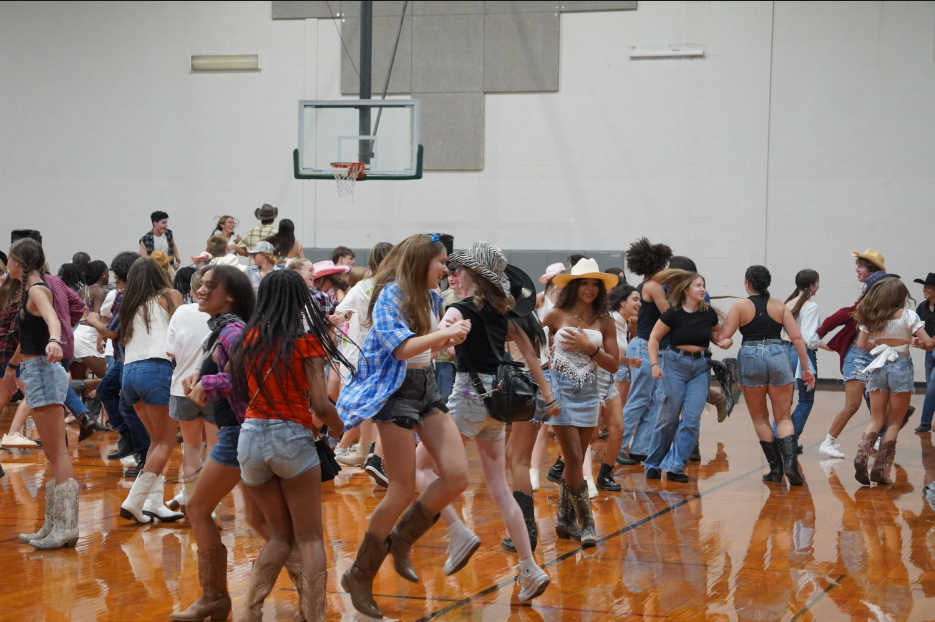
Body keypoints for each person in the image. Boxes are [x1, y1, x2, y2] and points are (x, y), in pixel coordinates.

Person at [336, 233, 472, 619]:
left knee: (458, 475)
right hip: (394, 392)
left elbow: (425, 348)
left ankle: (401, 541)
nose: (447, 269)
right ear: (421, 262)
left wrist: (450, 340)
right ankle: (359, 574)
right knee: (400, 490)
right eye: (442, 261)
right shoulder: (390, 295)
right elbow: (400, 348)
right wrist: (446, 334)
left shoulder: (430, 297)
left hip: (425, 386)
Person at [414, 245, 553, 599]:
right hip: (499, 402)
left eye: (457, 270)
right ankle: (529, 567)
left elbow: (434, 346)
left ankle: (457, 530)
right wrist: (549, 398)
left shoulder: (457, 310)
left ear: (473, 275)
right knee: (500, 488)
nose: (451, 275)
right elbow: (532, 356)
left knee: (419, 466)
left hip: (469, 398)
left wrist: (433, 343)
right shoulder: (502, 311)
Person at [231, 269, 352, 621]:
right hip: (291, 437)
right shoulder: (306, 343)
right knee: (311, 538)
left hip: (250, 439)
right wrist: (340, 430)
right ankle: (313, 617)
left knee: (279, 537)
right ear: (299, 300)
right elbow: (322, 404)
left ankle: (250, 613)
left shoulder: (247, 339)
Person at [170, 264, 269, 622]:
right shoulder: (222, 331)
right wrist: (202, 373)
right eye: (199, 284)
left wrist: (207, 384)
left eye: (208, 286)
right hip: (238, 432)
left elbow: (248, 382)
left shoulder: (232, 331)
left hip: (237, 433)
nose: (199, 289)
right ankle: (306, 588)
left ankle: (214, 598)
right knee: (261, 521)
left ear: (229, 295)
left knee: (197, 508)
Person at [5, 239, 78, 549]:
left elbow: (52, 319)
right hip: (33, 371)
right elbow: (27, 337)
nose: (7, 265)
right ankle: (53, 523)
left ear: (20, 262)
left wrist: (54, 341)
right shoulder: (29, 289)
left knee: (57, 453)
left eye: (9, 260)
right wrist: (11, 368)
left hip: (43, 371)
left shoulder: (36, 289)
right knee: (51, 453)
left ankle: (67, 527)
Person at [541, 258, 619, 546]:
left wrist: (590, 348)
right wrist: (545, 361)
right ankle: (587, 523)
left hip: (591, 395)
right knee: (573, 458)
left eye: (594, 284)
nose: (589, 288)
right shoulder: (555, 315)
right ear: (573, 286)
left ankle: (563, 518)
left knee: (575, 460)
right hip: (560, 393)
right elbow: (533, 346)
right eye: (583, 283)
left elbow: (613, 365)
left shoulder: (605, 320)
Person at [718, 265, 815, 486]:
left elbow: (723, 336)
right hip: (778, 353)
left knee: (760, 418)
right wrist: (806, 367)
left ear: (748, 284)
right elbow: (797, 337)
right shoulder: (779, 305)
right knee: (783, 417)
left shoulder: (740, 306)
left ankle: (775, 469)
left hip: (751, 355)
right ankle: (790, 463)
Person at [644, 269, 730, 482]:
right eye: (698, 286)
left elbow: (717, 336)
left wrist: (725, 341)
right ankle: (653, 463)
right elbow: (654, 338)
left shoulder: (708, 313)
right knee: (668, 419)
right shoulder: (672, 313)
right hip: (674, 365)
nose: (702, 289)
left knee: (691, 420)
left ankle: (675, 466)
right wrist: (655, 364)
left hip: (700, 368)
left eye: (704, 286)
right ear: (686, 290)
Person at [117, 257, 186, 524]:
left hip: (129, 374)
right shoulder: (170, 295)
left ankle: (153, 502)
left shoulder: (129, 304)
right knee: (166, 442)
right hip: (156, 370)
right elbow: (182, 331)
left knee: (155, 443)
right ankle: (134, 500)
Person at [851, 278, 934, 485]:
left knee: (876, 419)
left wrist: (880, 345)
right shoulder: (908, 315)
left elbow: (861, 344)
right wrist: (916, 343)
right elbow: (929, 343)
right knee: (895, 421)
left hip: (878, 366)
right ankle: (879, 469)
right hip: (901, 367)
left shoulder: (871, 316)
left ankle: (861, 455)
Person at [816, 250, 893, 458]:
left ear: (872, 270)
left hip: (872, 354)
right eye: (857, 265)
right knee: (853, 403)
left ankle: (877, 439)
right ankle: (827, 442)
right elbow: (845, 314)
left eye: (861, 266)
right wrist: (819, 333)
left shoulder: (876, 293)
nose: (857, 269)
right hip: (857, 354)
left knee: (877, 402)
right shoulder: (865, 299)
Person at [86, 252, 152, 470]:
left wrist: (94, 321)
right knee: (106, 391)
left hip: (132, 359)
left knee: (128, 407)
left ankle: (142, 455)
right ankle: (128, 437)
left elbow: (111, 330)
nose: (113, 277)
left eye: (116, 273)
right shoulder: (143, 295)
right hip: (127, 357)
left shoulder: (128, 296)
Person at [332, 242, 394, 469]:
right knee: (379, 405)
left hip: (373, 353)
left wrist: (341, 319)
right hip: (387, 351)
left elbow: (338, 314)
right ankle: (370, 453)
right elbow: (339, 314)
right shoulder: (399, 285)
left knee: (377, 405)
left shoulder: (368, 286)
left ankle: (370, 452)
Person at [618, 238, 673, 465]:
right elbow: (668, 315)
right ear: (659, 264)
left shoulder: (643, 285)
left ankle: (640, 449)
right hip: (644, 347)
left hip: (648, 347)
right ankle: (618, 446)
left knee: (653, 401)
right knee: (639, 400)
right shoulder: (653, 286)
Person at [165, 268, 214, 513]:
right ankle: (208, 503)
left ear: (192, 291)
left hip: (181, 388)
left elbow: (169, 352)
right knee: (215, 449)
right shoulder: (223, 314)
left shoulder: (181, 311)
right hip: (214, 388)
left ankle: (195, 501)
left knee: (191, 448)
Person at [777, 269, 821, 448]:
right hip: (800, 353)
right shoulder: (811, 306)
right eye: (818, 282)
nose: (819, 286)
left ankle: (777, 437)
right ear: (812, 285)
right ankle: (790, 441)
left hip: (783, 351)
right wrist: (823, 344)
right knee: (806, 400)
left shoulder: (787, 303)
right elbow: (809, 339)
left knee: (784, 402)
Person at [914, 273, 935, 433]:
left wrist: (926, 341)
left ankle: (925, 422)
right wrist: (916, 340)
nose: (924, 290)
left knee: (932, 386)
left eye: (928, 287)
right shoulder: (921, 307)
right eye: (924, 287)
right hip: (929, 351)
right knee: (931, 386)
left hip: (931, 347)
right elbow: (916, 329)